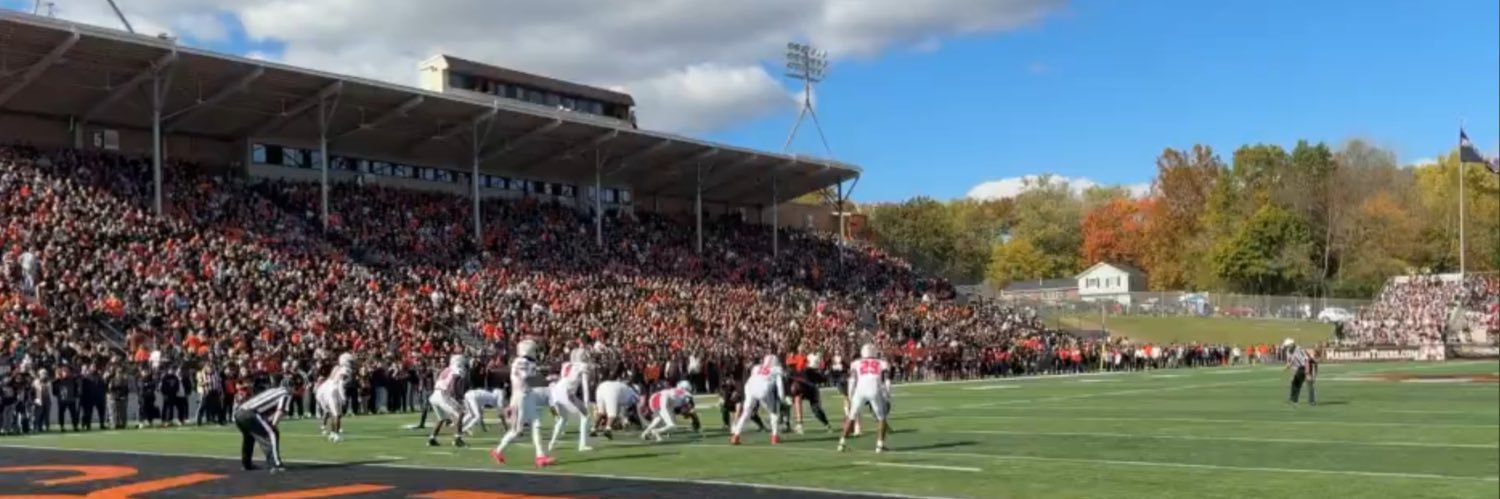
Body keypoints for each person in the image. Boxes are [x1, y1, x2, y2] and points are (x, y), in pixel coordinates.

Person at [492, 338, 554, 467]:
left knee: (536, 423)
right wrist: (546, 379)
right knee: (517, 430)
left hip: (527, 394)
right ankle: (498, 450)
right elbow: (528, 378)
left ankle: (540, 456)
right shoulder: (522, 361)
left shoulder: (522, 361)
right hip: (521, 396)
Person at [839, 343, 891, 453]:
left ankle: (841, 443)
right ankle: (879, 445)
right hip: (874, 389)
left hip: (860, 390)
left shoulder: (856, 363)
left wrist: (850, 395)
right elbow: (887, 380)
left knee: (851, 416)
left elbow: (852, 380)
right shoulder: (882, 363)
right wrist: (887, 394)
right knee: (881, 418)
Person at [730, 355, 785, 445]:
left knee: (746, 413)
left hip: (750, 387)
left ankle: (735, 436)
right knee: (773, 412)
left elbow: (754, 378)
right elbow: (780, 386)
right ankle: (774, 436)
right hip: (764, 390)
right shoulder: (777, 370)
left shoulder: (756, 367)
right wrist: (782, 399)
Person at [234, 386, 291, 473]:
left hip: (239, 412)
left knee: (249, 437)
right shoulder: (286, 394)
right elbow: (280, 410)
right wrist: (273, 425)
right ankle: (276, 464)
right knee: (272, 434)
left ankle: (247, 464)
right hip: (250, 413)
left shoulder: (273, 390)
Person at [547, 347, 593, 453]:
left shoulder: (566, 365)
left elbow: (563, 378)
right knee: (585, 416)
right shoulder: (583, 366)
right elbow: (585, 387)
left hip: (555, 391)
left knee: (562, 419)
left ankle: (552, 443)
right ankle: (582, 445)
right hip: (566, 392)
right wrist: (586, 403)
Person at [427, 354, 469, 447]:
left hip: (435, 394)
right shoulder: (457, 369)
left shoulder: (447, 369)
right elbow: (454, 382)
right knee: (460, 413)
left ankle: (432, 439)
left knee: (441, 419)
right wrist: (457, 395)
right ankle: (457, 439)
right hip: (442, 394)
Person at [317, 353, 355, 442]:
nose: (352, 363)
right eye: (350, 361)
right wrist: (343, 397)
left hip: (325, 389)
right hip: (333, 390)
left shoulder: (336, 367)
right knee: (337, 414)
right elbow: (341, 383)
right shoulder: (346, 369)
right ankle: (336, 434)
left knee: (333, 413)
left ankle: (333, 433)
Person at [1283, 338, 1316, 406]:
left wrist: (1307, 373)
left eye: (1287, 346)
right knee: (1295, 382)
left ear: (1291, 345)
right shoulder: (1289, 351)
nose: (1287, 348)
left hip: (1307, 365)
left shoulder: (1299, 350)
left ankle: (1311, 401)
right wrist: (1288, 366)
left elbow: (1306, 360)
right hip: (1300, 367)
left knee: (1309, 383)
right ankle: (1293, 399)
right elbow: (1292, 360)